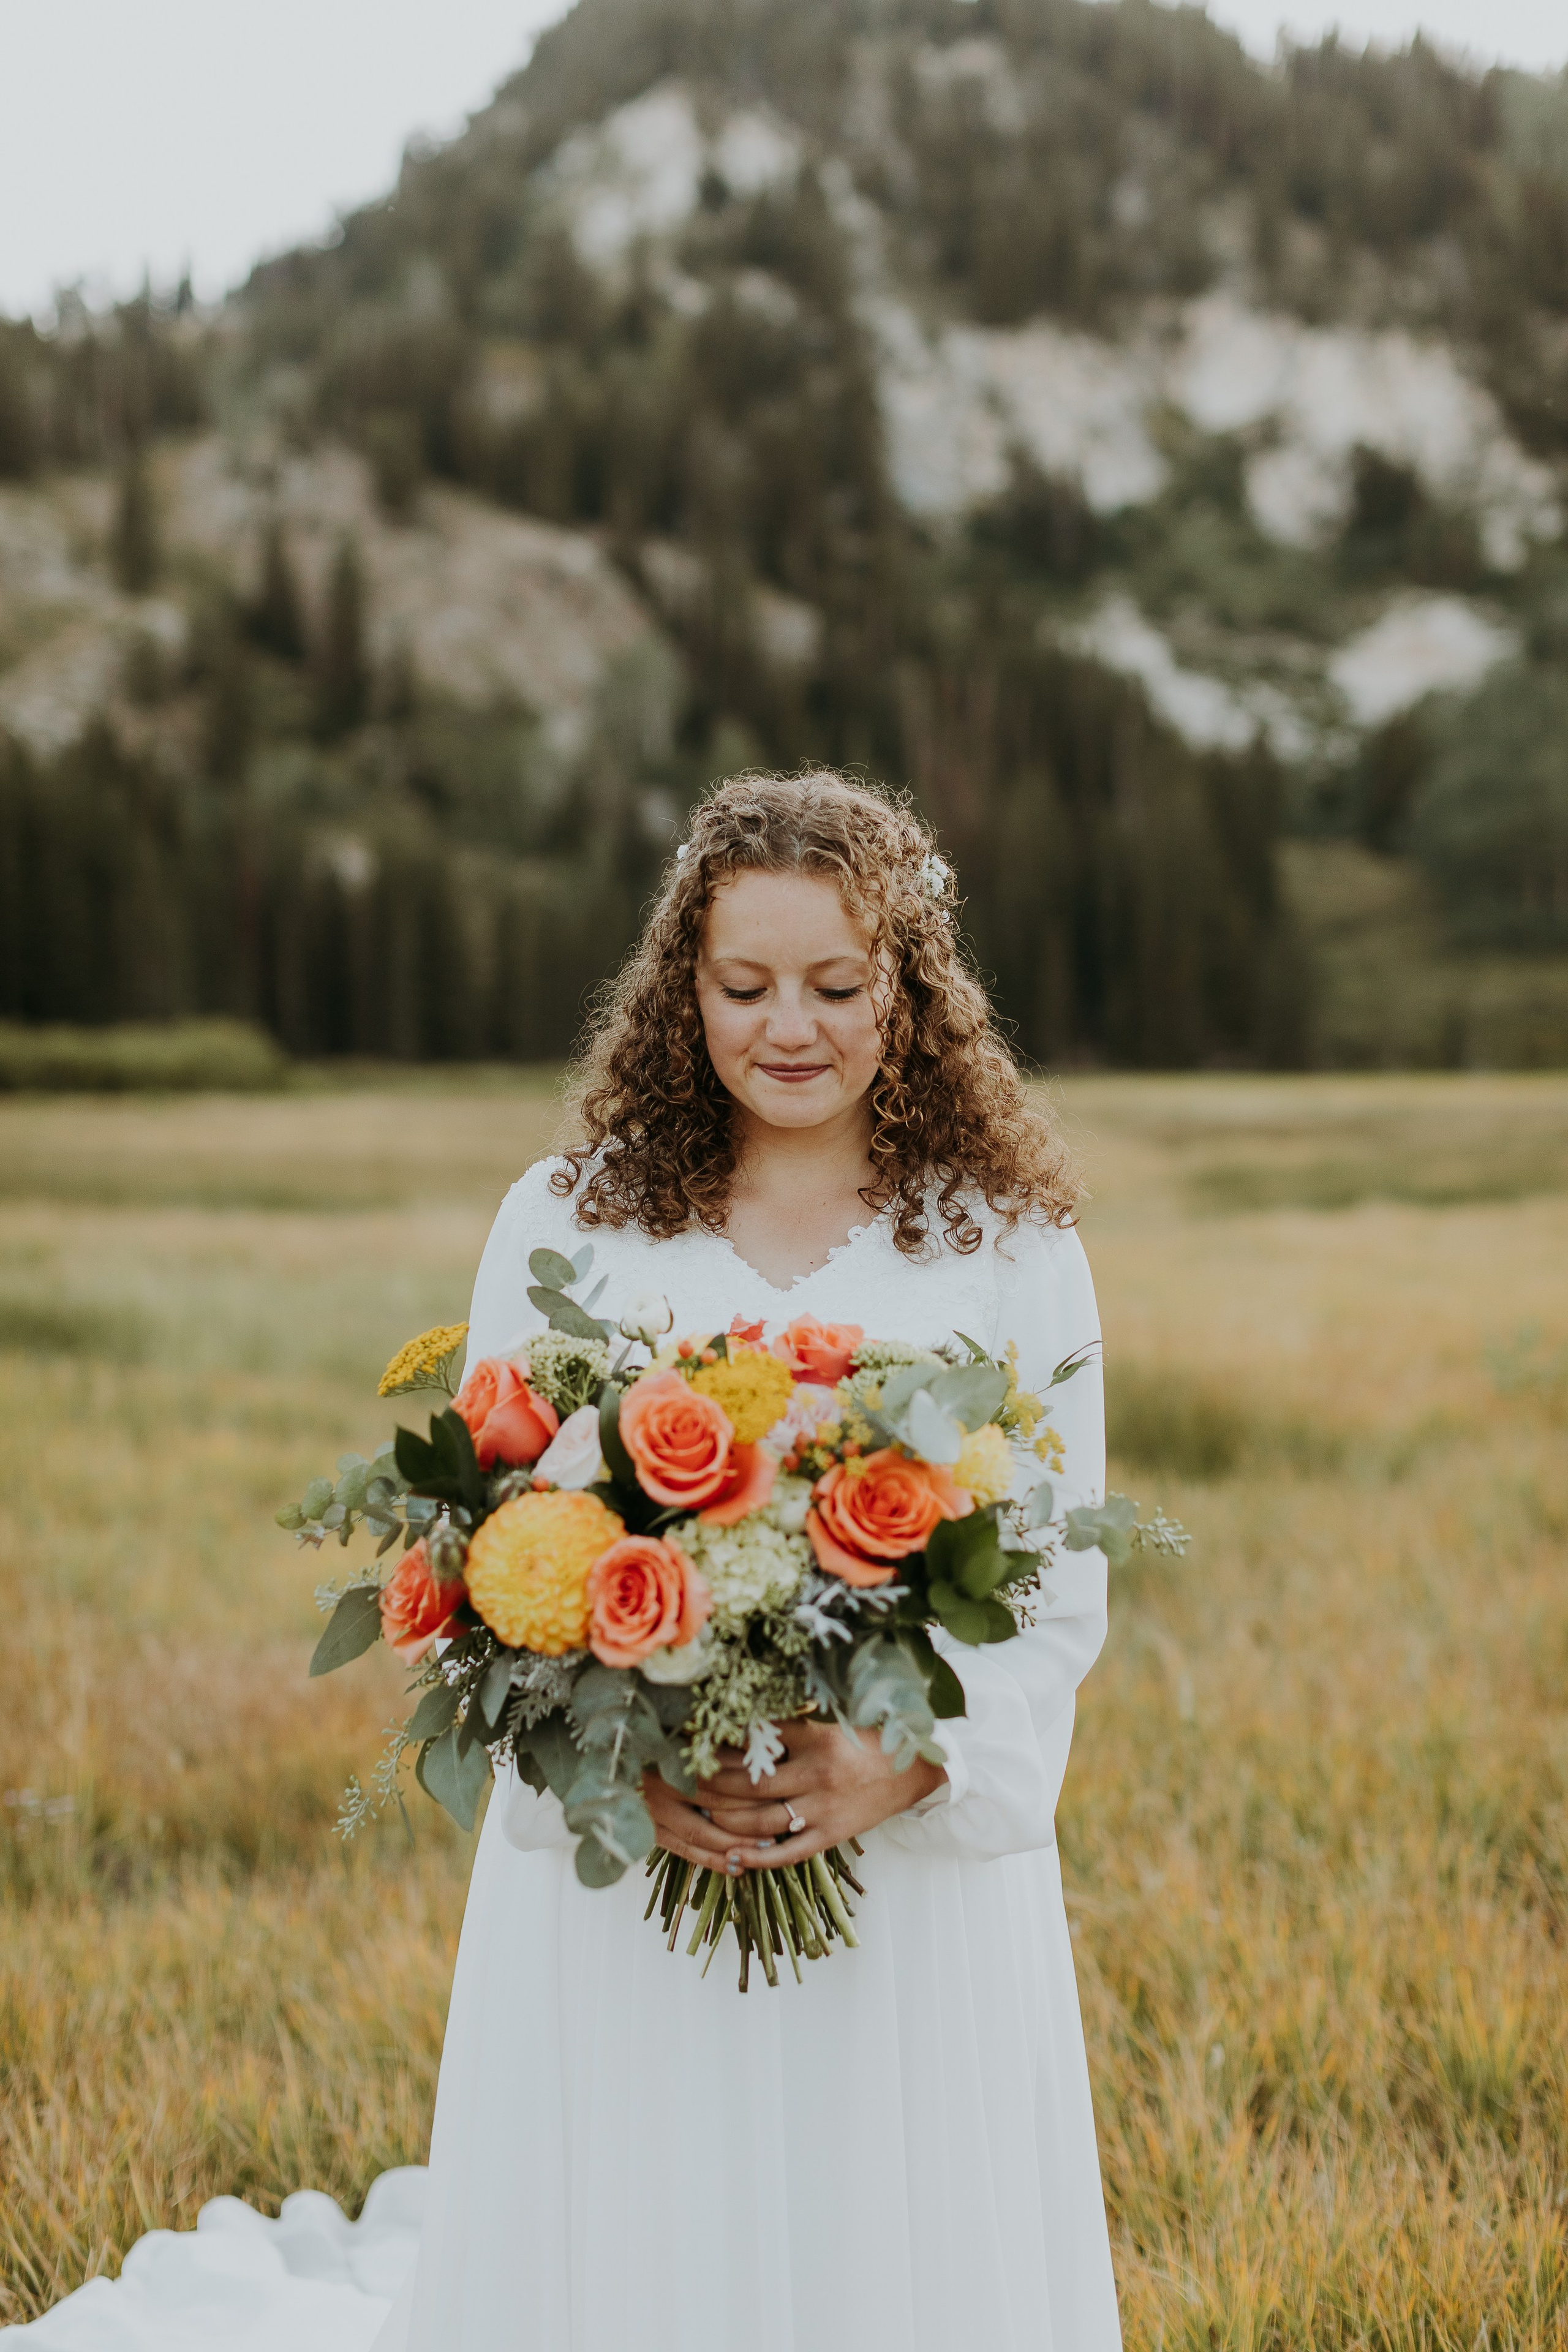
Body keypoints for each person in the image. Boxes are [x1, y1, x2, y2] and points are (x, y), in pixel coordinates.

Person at [374, 769, 1122, 2352]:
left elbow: (1057, 1590)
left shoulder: (1005, 1243)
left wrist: (899, 1771)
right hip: (639, 1873)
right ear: (681, 991)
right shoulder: (567, 1221)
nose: (792, 1025)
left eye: (839, 985)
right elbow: (485, 1552)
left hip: (904, 1892)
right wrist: (614, 1765)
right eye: (744, 985)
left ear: (909, 990)